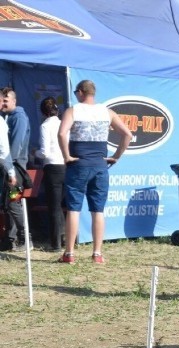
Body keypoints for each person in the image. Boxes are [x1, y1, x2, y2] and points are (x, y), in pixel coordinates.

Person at [57, 80, 132, 264]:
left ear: (81, 92)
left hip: (79, 164)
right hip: (99, 165)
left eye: (76, 92)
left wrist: (67, 156)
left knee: (74, 209)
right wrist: (116, 156)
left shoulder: (73, 110)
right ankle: (97, 254)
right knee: (98, 210)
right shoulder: (107, 112)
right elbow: (127, 134)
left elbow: (61, 133)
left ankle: (69, 254)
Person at [35, 97, 66, 252]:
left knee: (54, 206)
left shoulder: (45, 126)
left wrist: (35, 153)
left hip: (52, 167)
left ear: (43, 112)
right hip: (65, 166)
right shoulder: (63, 125)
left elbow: (44, 152)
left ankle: (56, 244)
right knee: (63, 205)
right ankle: (63, 238)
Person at [2, 88, 30, 251]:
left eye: (6, 100)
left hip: (16, 168)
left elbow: (16, 145)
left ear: (14, 101)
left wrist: (9, 166)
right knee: (8, 202)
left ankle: (26, 238)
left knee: (13, 201)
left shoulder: (19, 117)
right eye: (2, 100)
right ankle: (10, 239)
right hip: (8, 167)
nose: (3, 103)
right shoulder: (5, 117)